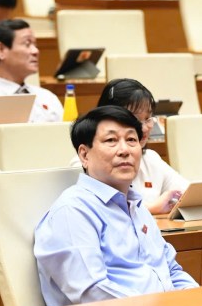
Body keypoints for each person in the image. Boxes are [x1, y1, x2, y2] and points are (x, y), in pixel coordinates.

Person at [34, 105, 198, 306]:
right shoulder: (73, 211)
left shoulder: (136, 207)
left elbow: (171, 270)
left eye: (131, 140)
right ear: (84, 155)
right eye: (111, 140)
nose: (124, 150)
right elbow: (92, 291)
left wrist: (196, 302)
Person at [77, 79, 189, 215]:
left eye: (148, 118)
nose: (144, 128)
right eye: (134, 120)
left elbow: (188, 194)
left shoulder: (150, 158)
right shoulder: (86, 162)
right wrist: (152, 208)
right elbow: (96, 210)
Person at [0, 18, 64, 122]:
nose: (36, 51)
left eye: (35, 45)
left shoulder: (48, 97)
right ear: (1, 50)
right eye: (27, 44)